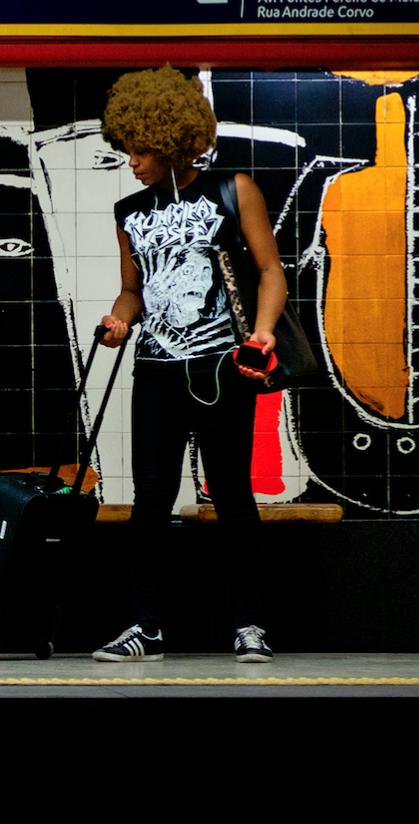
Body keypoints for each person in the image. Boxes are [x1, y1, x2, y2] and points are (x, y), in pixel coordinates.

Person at [93, 66, 284, 664]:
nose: (132, 162)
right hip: (155, 369)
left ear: (172, 141)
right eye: (126, 149)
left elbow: (271, 271)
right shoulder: (128, 211)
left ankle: (249, 625)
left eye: (141, 150)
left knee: (231, 494)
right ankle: (145, 626)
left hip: (223, 368)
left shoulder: (234, 190)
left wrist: (263, 331)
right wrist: (119, 320)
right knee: (151, 498)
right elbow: (133, 291)